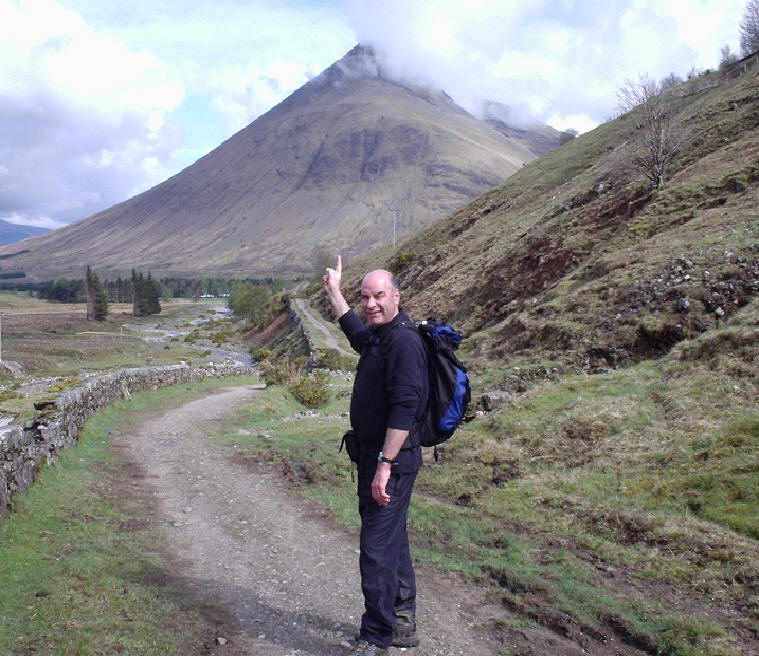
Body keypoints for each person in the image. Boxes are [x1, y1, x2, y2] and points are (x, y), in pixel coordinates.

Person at [323, 255, 428, 656]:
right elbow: (355, 333)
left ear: (396, 296)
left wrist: (384, 465)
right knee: (392, 540)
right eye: (365, 297)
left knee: (376, 549)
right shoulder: (381, 334)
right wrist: (334, 292)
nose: (370, 304)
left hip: (392, 464)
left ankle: (376, 636)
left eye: (378, 296)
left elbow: (406, 407)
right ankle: (402, 622)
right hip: (376, 459)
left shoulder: (403, 341)